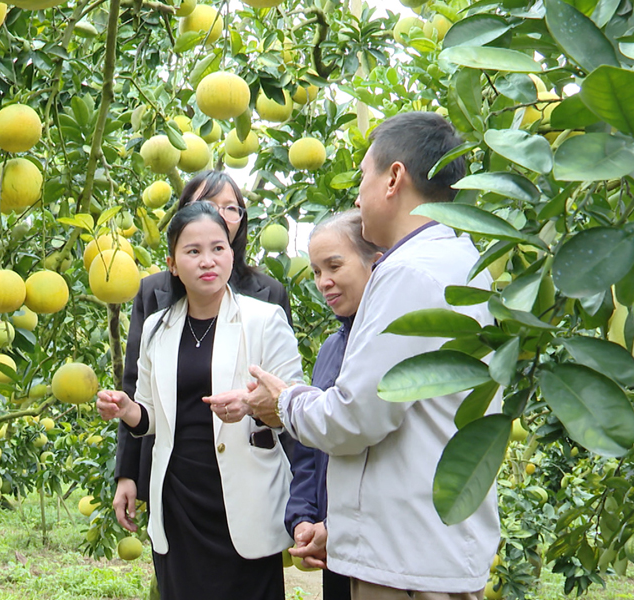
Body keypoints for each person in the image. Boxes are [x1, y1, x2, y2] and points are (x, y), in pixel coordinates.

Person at [241, 112, 500, 599]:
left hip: (407, 567)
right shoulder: (462, 258)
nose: (358, 197)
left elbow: (356, 417)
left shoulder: (408, 272)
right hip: (425, 547)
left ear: (395, 178)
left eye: (364, 176)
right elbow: (414, 429)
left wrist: (286, 402)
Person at [97, 201, 303, 600]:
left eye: (218, 248)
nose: (207, 260)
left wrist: (254, 405)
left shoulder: (263, 319)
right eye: (193, 251)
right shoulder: (159, 326)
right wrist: (127, 410)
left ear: (231, 253)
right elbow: (152, 417)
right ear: (173, 263)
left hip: (243, 496)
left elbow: (293, 409)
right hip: (179, 497)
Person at [112, 170, 292, 532]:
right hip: (175, 476)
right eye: (209, 205)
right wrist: (127, 473)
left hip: (247, 478)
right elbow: (136, 388)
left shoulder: (267, 296)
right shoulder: (153, 294)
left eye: (232, 208)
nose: (222, 215)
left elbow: (286, 396)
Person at [285, 210, 383, 600]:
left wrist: (336, 525)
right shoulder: (330, 348)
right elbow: (310, 445)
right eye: (314, 271)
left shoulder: (386, 341)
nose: (323, 282)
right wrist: (304, 517)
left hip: (377, 546)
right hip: (335, 547)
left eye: (334, 266)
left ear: (374, 263)